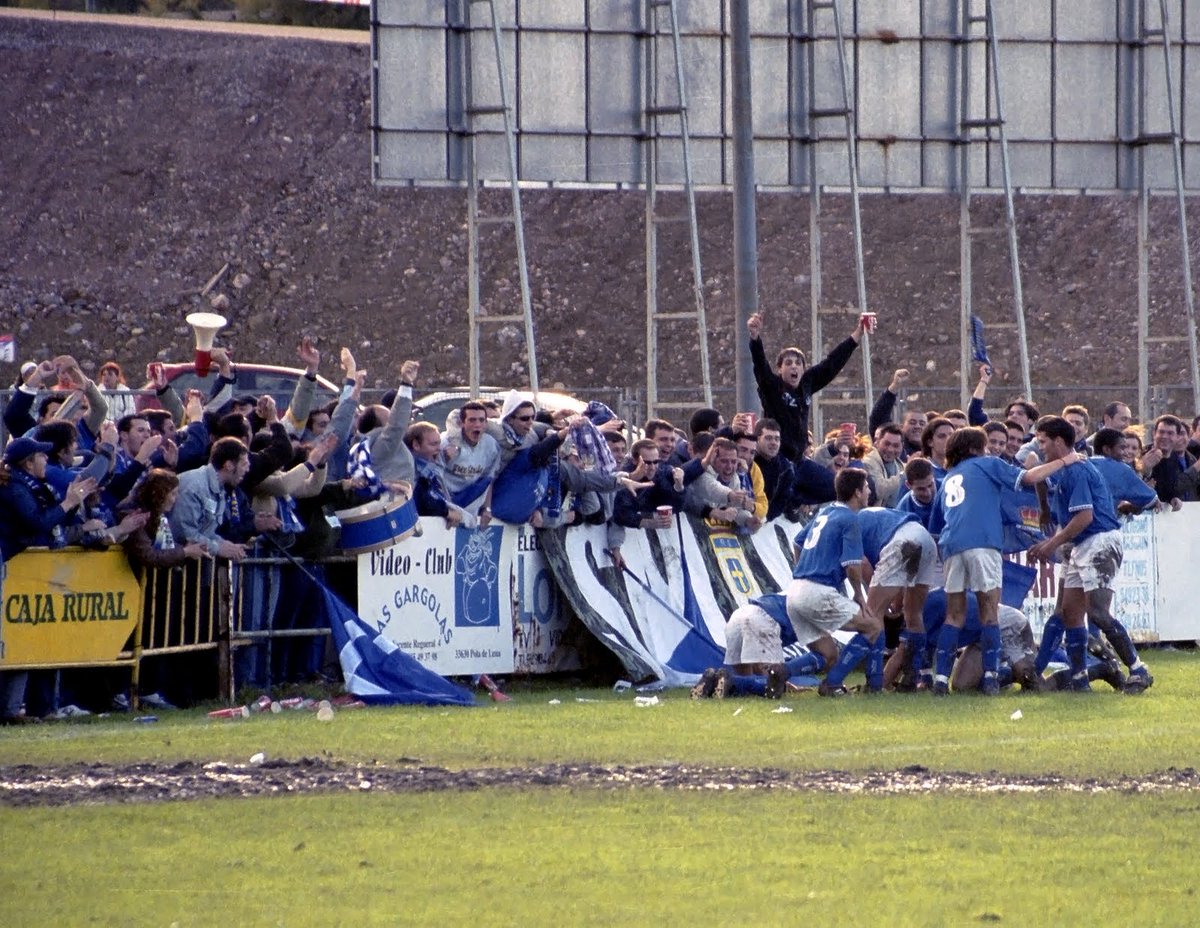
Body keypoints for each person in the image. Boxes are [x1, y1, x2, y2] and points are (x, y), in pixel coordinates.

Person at [927, 426, 1083, 696]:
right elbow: (1030, 477)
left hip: (951, 547)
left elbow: (936, 527)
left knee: (954, 615)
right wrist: (1065, 461)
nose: (989, 450)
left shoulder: (949, 477)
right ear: (974, 448)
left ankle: (940, 679)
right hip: (983, 543)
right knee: (990, 613)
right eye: (985, 446)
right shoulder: (987, 464)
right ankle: (990, 677)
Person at [1028, 416, 1153, 693]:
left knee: (1097, 612)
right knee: (1070, 613)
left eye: (1043, 441)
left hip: (1099, 540)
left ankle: (1139, 670)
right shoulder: (1064, 467)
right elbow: (1036, 477)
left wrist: (1051, 543)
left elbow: (1085, 517)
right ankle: (1079, 679)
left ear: (1058, 441)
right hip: (1081, 544)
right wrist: (1045, 509)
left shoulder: (1077, 470)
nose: (1040, 446)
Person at [0, 437, 98, 724]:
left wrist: (72, 505)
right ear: (28, 463)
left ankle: (30, 707)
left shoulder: (31, 485)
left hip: (16, 563)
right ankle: (10, 709)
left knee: (27, 636)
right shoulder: (15, 487)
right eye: (41, 457)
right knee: (14, 637)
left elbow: (51, 522)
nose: (46, 460)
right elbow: (38, 522)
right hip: (10, 561)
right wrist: (69, 502)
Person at [747, 311, 867, 505]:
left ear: (803, 369)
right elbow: (760, 366)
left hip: (800, 462)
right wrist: (755, 338)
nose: (794, 367)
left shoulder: (807, 384)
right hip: (779, 461)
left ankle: (795, 501)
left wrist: (858, 334)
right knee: (778, 495)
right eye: (788, 363)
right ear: (779, 369)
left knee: (837, 489)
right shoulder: (773, 387)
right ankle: (790, 500)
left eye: (798, 363)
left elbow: (832, 364)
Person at [786, 468, 883, 696]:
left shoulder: (826, 512)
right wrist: (858, 594)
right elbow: (852, 565)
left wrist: (804, 570)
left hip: (796, 592)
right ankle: (835, 684)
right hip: (817, 591)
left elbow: (798, 542)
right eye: (866, 487)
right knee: (874, 626)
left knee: (829, 655)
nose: (869, 492)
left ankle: (780, 671)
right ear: (857, 492)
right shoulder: (850, 519)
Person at [858, 506, 939, 689]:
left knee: (873, 615)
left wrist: (875, 596)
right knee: (914, 615)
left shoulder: (850, 525)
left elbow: (863, 564)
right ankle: (912, 678)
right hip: (925, 538)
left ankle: (874, 681)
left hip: (901, 541)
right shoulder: (874, 514)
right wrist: (894, 601)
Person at [862, 423, 904, 507]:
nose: (890, 450)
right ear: (877, 442)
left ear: (902, 446)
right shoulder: (868, 462)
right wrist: (904, 475)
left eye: (896, 446)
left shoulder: (901, 465)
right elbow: (879, 490)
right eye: (887, 444)